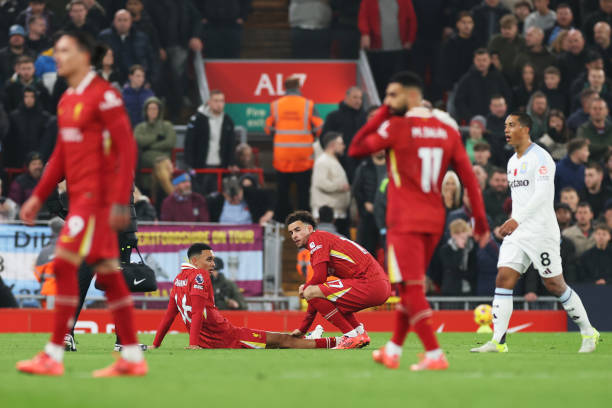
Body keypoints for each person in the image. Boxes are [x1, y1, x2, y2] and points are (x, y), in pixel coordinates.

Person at [16, 31, 146, 376]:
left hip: (99, 202)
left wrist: (121, 200)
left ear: (84, 56)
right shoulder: (66, 99)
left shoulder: (104, 97)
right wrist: (37, 196)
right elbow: (60, 155)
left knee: (64, 267)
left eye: (64, 51)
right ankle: (131, 356)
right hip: (82, 201)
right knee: (107, 272)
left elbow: (127, 149)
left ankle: (53, 355)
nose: (57, 57)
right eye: (55, 51)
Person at [348, 71, 489, 370]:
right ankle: (393, 350)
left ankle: (435, 354)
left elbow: (356, 148)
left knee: (411, 290)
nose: (387, 101)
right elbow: (470, 180)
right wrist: (481, 223)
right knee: (409, 288)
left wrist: (384, 113)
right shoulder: (448, 131)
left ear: (410, 97)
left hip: (403, 221)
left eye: (392, 95)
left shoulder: (398, 126)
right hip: (434, 220)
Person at [470, 112, 599, 354]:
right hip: (519, 233)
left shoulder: (541, 157)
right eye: (505, 125)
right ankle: (498, 341)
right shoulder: (511, 162)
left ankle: (588, 331)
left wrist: (515, 219)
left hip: (541, 232)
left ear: (526, 129)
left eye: (512, 125)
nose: (506, 130)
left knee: (554, 284)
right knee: (503, 278)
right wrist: (514, 221)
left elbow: (541, 196)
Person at [152, 243, 338, 350]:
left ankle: (319, 338)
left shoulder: (178, 279)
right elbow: (198, 312)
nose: (213, 264)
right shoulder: (200, 275)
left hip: (213, 340)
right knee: (284, 341)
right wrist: (193, 345)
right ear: (194, 261)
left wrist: (156, 344)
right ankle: (337, 342)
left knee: (281, 340)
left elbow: (169, 315)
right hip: (229, 337)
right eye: (209, 259)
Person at [286, 211, 390, 348]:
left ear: (310, 229)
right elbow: (317, 294)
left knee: (311, 290)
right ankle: (359, 333)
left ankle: (350, 336)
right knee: (321, 294)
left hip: (370, 283)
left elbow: (319, 279)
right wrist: (303, 329)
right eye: (291, 232)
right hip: (378, 285)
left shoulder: (316, 239)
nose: (294, 235)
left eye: (297, 230)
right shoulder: (322, 241)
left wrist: (305, 288)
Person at [264, 77, 323, 222]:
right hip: (303, 158)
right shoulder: (308, 105)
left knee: (282, 193)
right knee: (303, 194)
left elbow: (268, 128)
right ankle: (304, 222)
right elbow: (319, 127)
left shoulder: (276, 105)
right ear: (299, 87)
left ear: (284, 88)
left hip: (282, 157)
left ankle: (283, 222)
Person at [358, 0, 417, 97]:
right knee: (378, 81)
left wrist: (410, 40)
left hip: (398, 48)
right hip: (377, 49)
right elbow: (363, 17)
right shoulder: (368, 1)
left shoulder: (405, 1)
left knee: (396, 81)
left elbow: (412, 20)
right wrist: (365, 33)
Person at [185, 90, 236, 195]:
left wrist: (231, 162)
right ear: (209, 102)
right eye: (216, 101)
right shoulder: (197, 119)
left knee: (217, 198)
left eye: (221, 101)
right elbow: (189, 143)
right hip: (201, 166)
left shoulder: (228, 121)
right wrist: (189, 163)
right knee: (200, 197)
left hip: (220, 167)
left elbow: (231, 145)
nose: (219, 104)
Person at [98, 9, 156, 85]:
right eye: (119, 20)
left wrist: (149, 81)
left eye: (125, 20)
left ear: (131, 22)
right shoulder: (104, 37)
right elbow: (97, 58)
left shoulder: (142, 38)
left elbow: (151, 61)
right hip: (111, 80)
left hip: (137, 82)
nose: (122, 23)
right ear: (114, 21)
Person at [320, 86, 366, 181]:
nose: (358, 101)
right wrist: (334, 156)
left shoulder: (365, 117)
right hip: (340, 164)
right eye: (355, 97)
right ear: (346, 97)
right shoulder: (334, 117)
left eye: (360, 98)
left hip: (361, 164)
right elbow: (324, 139)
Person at [454, 48, 512, 123]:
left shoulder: (498, 77)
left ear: (490, 61)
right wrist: (470, 118)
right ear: (474, 61)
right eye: (478, 60)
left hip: (498, 121)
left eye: (484, 60)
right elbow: (459, 102)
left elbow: (508, 97)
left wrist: (502, 114)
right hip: (475, 123)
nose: (481, 63)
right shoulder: (466, 79)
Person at [310, 132, 351, 236]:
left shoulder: (332, 160)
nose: (344, 146)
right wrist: (340, 186)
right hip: (327, 215)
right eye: (341, 143)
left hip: (337, 212)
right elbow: (321, 183)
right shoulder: (323, 161)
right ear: (333, 145)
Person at [134, 96, 176, 194]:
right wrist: (156, 137)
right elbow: (137, 140)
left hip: (164, 158)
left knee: (161, 163)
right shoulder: (140, 127)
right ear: (146, 110)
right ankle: (172, 194)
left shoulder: (167, 126)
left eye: (155, 108)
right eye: (150, 108)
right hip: (146, 159)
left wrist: (149, 146)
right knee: (161, 164)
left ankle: (161, 194)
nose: (152, 111)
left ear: (159, 110)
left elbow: (170, 142)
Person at [4, 86, 51, 169]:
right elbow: (10, 141)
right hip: (18, 160)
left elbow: (46, 141)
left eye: (32, 96)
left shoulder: (45, 117)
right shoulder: (14, 117)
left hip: (39, 161)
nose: (29, 99)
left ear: (36, 98)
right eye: (26, 96)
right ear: (22, 98)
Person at [438, 12, 479, 98]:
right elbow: (444, 65)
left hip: (474, 84)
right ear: (457, 24)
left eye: (470, 22)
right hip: (455, 84)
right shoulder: (450, 43)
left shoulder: (478, 42)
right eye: (464, 22)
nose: (467, 25)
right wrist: (448, 85)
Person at [353, 149, 386, 255]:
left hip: (387, 216)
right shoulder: (364, 167)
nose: (380, 151)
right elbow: (357, 190)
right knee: (367, 251)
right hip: (368, 217)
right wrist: (364, 204)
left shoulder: (391, 167)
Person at [207, 176, 275, 225]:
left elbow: (271, 195)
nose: (236, 199)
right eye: (231, 199)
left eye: (238, 195)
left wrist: (269, 213)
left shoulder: (250, 193)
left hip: (249, 237)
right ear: (224, 194)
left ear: (241, 190)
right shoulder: (216, 202)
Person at [488, 14, 525, 83]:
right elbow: (490, 56)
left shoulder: (523, 42)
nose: (506, 31)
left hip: (518, 77)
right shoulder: (495, 41)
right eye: (504, 28)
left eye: (509, 28)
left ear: (516, 28)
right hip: (499, 77)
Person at [576, 97, 612, 162]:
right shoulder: (583, 129)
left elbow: (590, 147)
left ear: (607, 111)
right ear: (590, 111)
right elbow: (582, 148)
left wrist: (592, 146)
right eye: (594, 109)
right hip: (590, 165)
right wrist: (607, 148)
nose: (597, 111)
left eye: (600, 109)